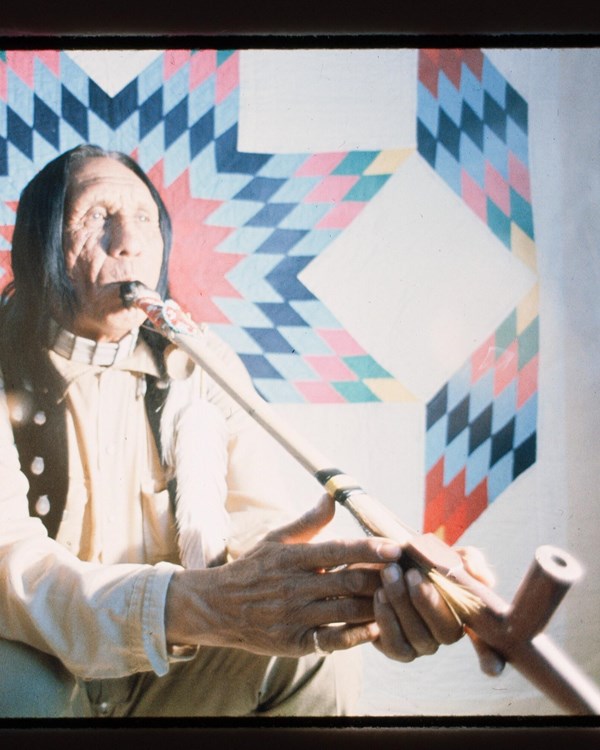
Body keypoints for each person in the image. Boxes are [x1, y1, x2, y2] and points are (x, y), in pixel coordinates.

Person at [0, 144, 502, 718]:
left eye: (144, 218)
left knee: (320, 657)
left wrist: (359, 588)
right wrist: (189, 606)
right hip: (38, 666)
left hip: (167, 674)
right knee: (19, 691)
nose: (129, 241)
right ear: (40, 244)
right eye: (95, 217)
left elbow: (252, 530)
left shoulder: (199, 362)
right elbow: (8, 566)